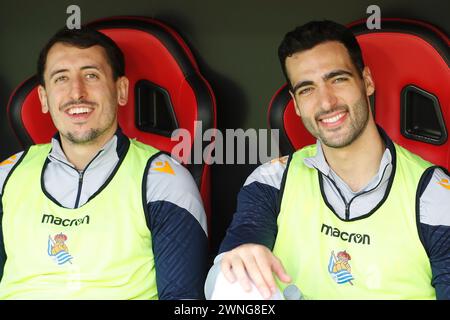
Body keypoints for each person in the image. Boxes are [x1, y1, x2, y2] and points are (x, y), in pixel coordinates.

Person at [207, 20, 450, 300]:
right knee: (236, 278)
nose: (326, 102)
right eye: (307, 89)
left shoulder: (434, 195)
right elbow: (222, 283)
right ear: (296, 104)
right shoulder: (271, 180)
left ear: (367, 81)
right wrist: (240, 256)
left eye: (337, 79)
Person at [0, 27, 208, 299]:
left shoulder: (162, 180)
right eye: (61, 78)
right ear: (43, 98)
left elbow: (183, 301)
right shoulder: (7, 176)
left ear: (121, 90)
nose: (77, 92)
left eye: (91, 75)